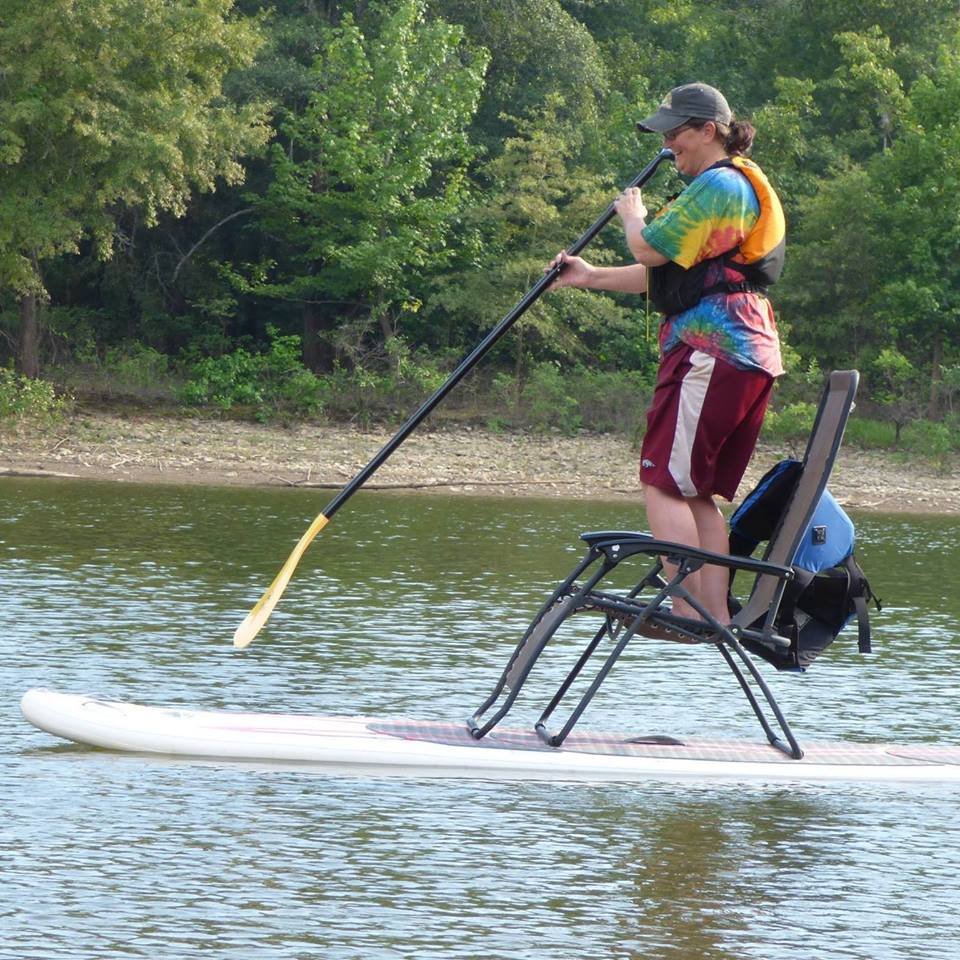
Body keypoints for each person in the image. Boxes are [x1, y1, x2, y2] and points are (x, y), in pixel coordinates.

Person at [548, 82, 784, 625]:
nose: (667, 144)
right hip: (743, 350)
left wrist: (633, 213)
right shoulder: (729, 188)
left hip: (712, 349)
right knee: (695, 493)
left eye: (675, 133)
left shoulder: (719, 183)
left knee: (661, 483)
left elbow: (648, 247)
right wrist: (589, 276)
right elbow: (665, 274)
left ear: (709, 131)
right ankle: (713, 613)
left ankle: (687, 610)